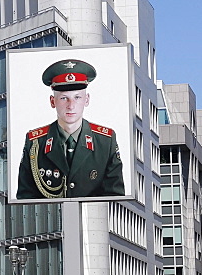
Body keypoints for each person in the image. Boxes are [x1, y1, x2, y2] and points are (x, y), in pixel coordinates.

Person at [16, 58, 125, 200]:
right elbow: (25, 198)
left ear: (87, 100)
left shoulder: (105, 141)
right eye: (63, 98)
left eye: (77, 97)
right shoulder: (35, 142)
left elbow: (115, 199)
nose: (71, 105)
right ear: (52, 101)